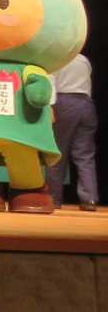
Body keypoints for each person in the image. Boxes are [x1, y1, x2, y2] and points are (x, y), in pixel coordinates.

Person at [49, 53, 98, 211]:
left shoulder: (57, 58)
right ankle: (89, 199)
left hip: (64, 103)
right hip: (86, 104)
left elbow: (50, 82)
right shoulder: (83, 59)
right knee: (85, 156)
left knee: (57, 153)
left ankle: (53, 198)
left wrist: (50, 107)